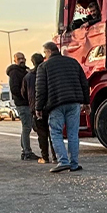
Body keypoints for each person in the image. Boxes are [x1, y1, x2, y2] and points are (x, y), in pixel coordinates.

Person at [32, 41, 89, 173]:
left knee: (56, 132)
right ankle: (74, 164)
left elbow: (40, 89)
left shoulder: (44, 66)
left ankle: (63, 161)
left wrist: (38, 108)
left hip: (56, 103)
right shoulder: (73, 62)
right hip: (74, 102)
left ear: (49, 52)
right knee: (73, 133)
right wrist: (86, 102)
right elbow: (84, 83)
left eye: (44, 52)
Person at [6, 52, 39, 161]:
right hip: (22, 104)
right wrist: (25, 96)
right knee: (27, 127)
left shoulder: (25, 70)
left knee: (28, 127)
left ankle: (25, 151)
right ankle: (27, 152)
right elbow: (14, 89)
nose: (21, 60)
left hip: (27, 103)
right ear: (15, 60)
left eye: (23, 58)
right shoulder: (14, 72)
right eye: (19, 59)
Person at [21, 52, 51, 164]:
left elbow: (23, 93)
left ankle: (45, 157)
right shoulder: (47, 73)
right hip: (49, 106)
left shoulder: (28, 77)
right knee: (53, 133)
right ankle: (56, 156)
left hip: (35, 108)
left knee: (42, 134)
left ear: (32, 62)